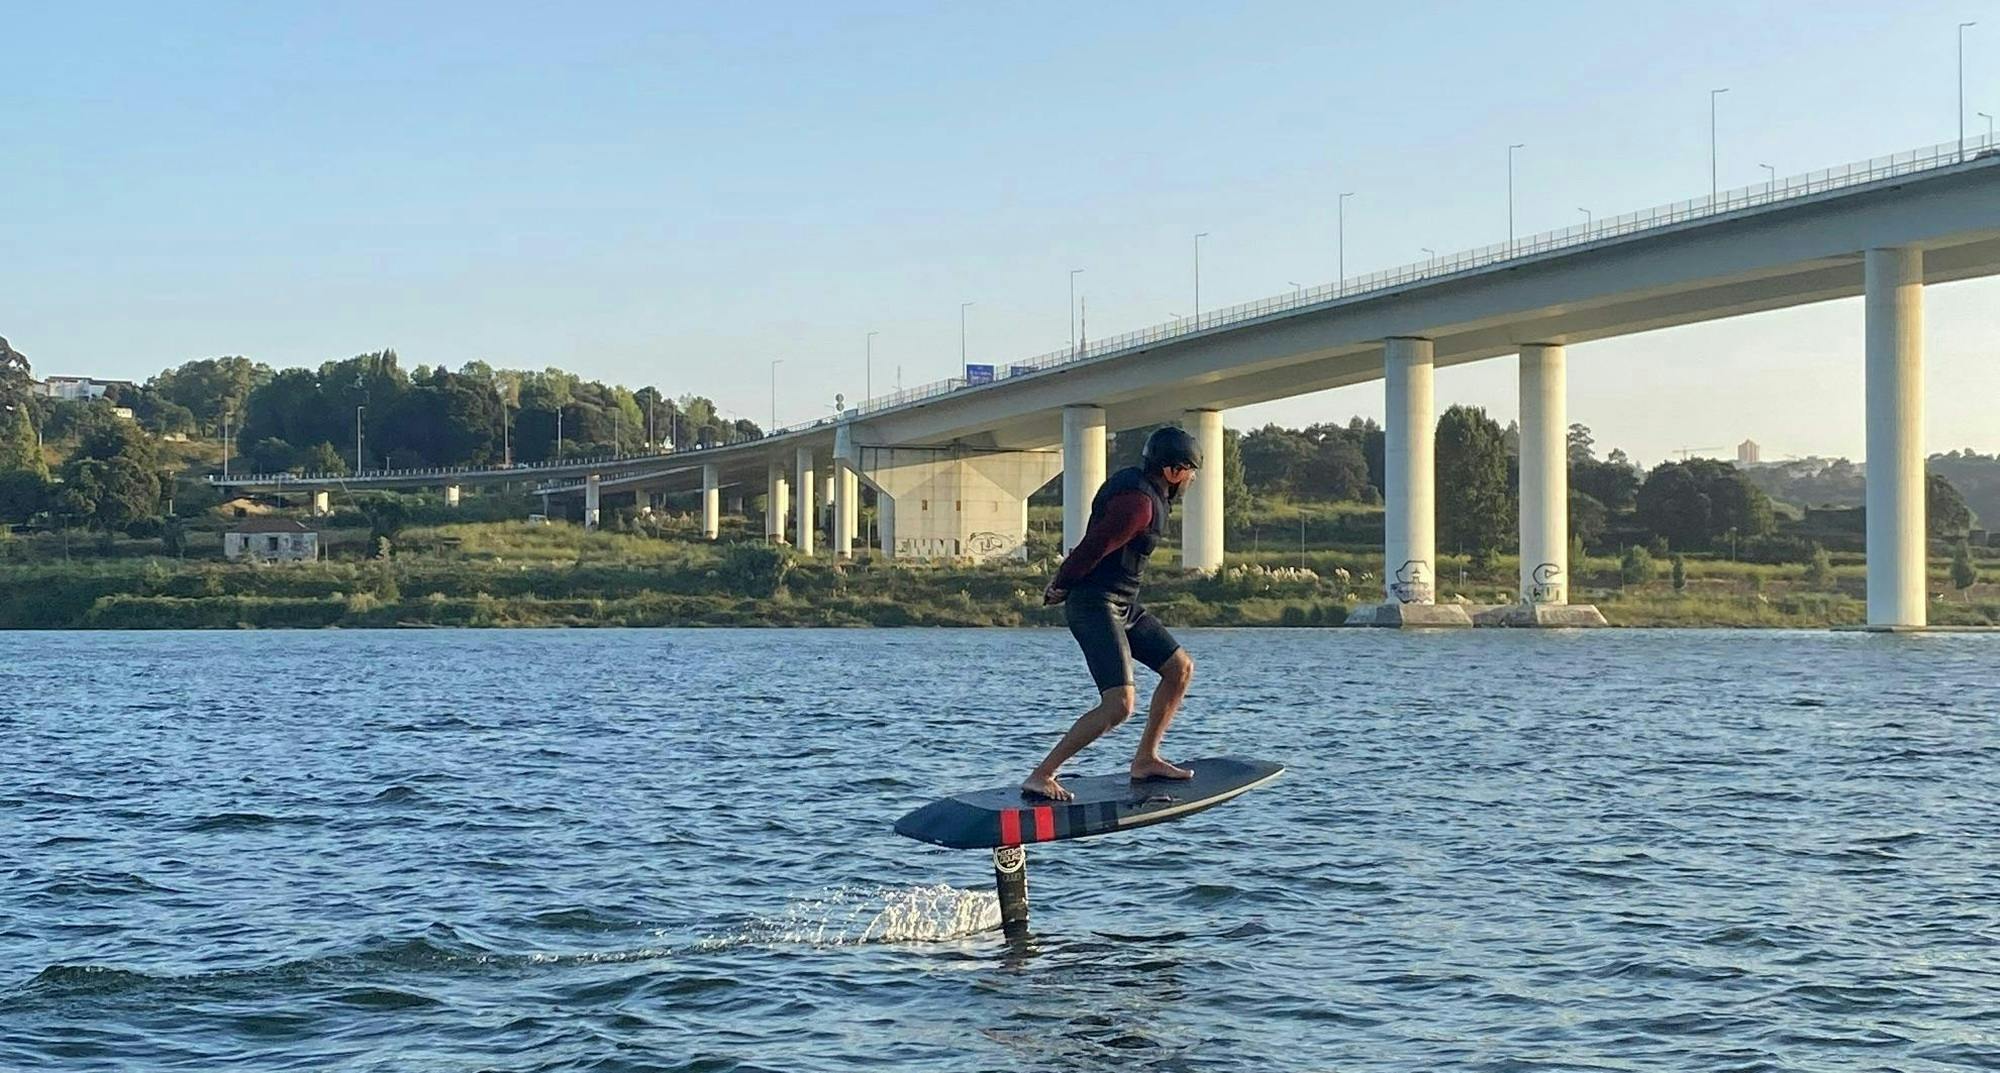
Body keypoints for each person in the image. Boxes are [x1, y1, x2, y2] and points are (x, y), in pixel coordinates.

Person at [1022, 425, 1202, 802]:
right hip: (1094, 603)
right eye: (1189, 470)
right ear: (1172, 471)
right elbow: (1095, 545)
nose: (1192, 479)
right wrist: (1062, 583)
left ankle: (1145, 759)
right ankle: (1042, 775)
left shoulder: (1146, 492)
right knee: (1119, 704)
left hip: (1122, 604)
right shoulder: (1138, 504)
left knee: (1179, 668)